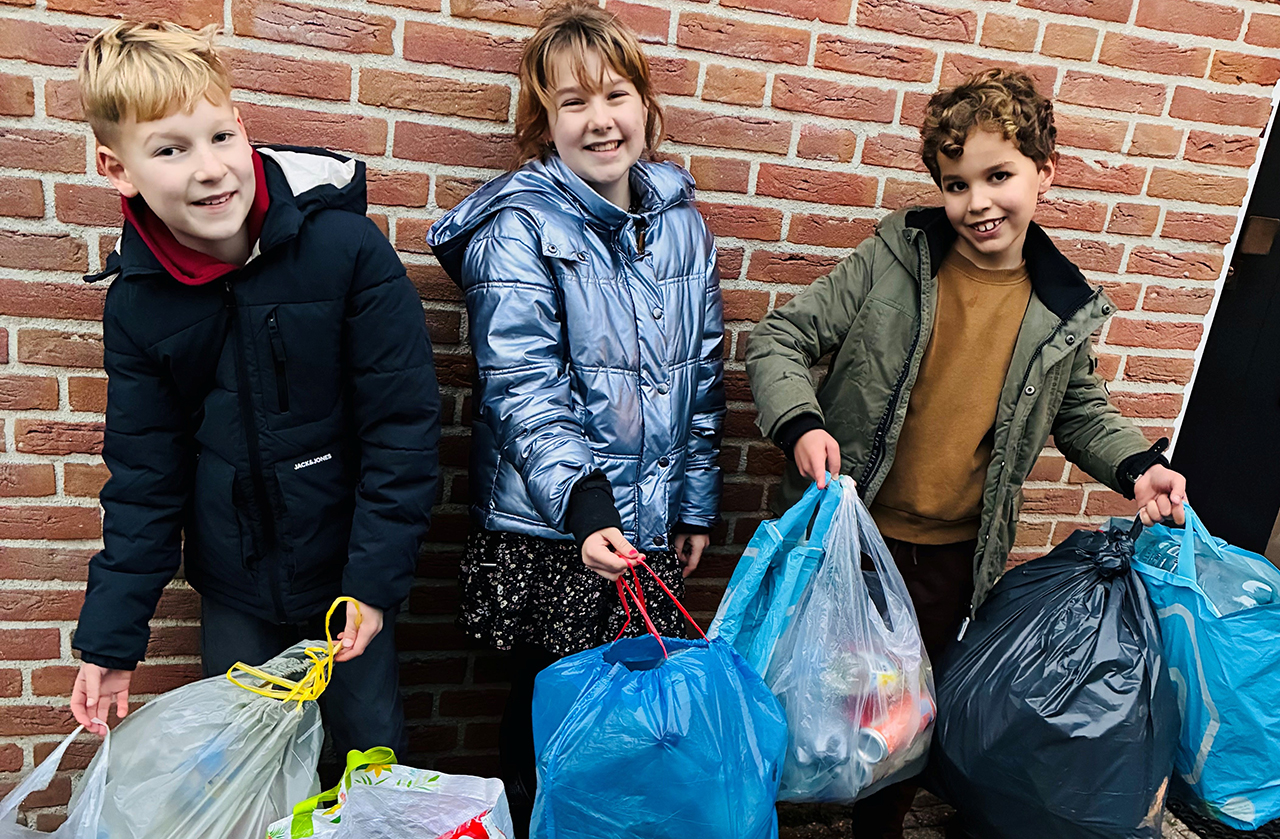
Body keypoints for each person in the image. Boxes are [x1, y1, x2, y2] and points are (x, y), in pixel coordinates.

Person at [745, 69, 1188, 838]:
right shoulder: (897, 256)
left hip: (953, 556)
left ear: (1045, 172)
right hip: (847, 537)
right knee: (800, 692)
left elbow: (1080, 410)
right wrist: (799, 423)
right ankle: (759, 815)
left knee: (905, 712)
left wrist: (1136, 465)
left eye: (998, 175)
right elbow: (779, 338)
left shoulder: (1061, 307)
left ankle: (877, 826)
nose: (977, 201)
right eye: (956, 183)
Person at [67, 21, 441, 762]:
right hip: (235, 585)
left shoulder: (346, 252)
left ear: (242, 127)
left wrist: (372, 582)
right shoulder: (140, 304)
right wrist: (111, 641)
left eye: (218, 137)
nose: (209, 170)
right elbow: (145, 479)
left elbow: (402, 425)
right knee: (247, 767)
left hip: (348, 577)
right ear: (119, 167)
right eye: (170, 149)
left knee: (366, 757)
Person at [426, 3, 724, 833]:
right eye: (573, 102)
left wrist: (694, 501)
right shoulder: (518, 227)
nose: (601, 121)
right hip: (557, 529)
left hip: (646, 523)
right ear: (542, 121)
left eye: (617, 95)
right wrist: (588, 505)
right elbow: (524, 385)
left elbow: (700, 373)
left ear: (646, 105)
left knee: (625, 732)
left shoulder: (682, 227)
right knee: (547, 716)